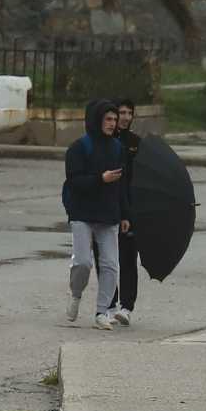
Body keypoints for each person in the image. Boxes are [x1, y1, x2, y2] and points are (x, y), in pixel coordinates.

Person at [63, 99, 130, 330]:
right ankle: (76, 294)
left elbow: (121, 185)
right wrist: (100, 179)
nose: (113, 123)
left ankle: (102, 311)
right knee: (82, 263)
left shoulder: (117, 148)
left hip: (108, 214)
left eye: (115, 119)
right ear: (96, 120)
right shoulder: (79, 147)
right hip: (82, 213)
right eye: (108, 119)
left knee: (111, 265)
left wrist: (124, 214)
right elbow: (73, 181)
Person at [109, 97, 141, 325]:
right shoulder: (105, 141)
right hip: (108, 209)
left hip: (131, 209)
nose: (126, 117)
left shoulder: (136, 143)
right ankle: (109, 304)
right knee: (107, 260)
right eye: (122, 112)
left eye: (130, 113)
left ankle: (126, 307)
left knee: (128, 259)